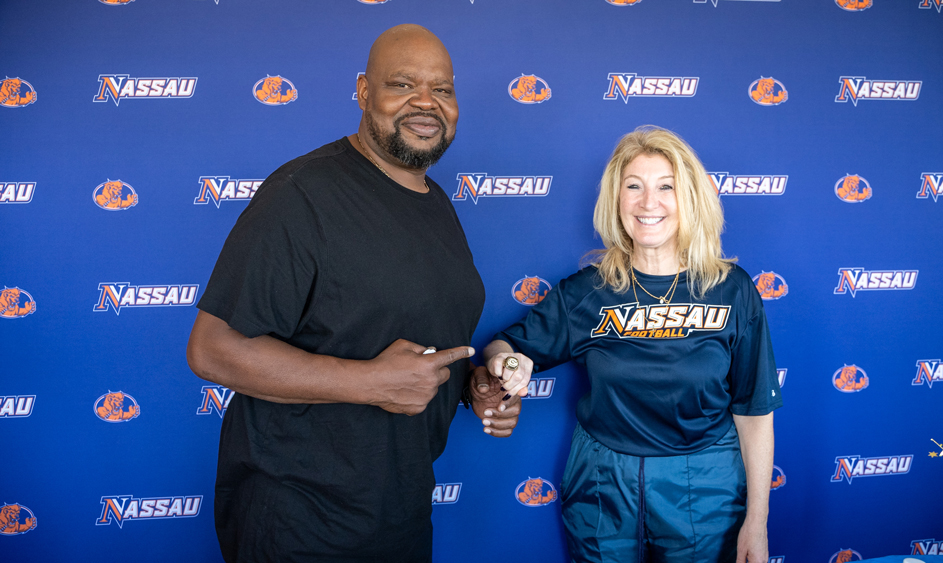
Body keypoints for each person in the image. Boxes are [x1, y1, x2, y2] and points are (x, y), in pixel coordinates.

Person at [186, 25, 527, 563]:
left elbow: (397, 337)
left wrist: (473, 389)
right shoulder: (301, 195)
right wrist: (369, 382)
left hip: (401, 511)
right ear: (365, 93)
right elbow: (212, 348)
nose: (425, 103)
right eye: (402, 84)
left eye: (442, 89)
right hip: (300, 520)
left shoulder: (435, 201)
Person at [484, 126, 782, 563]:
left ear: (690, 198)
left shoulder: (732, 290)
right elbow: (502, 347)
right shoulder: (588, 291)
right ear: (616, 199)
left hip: (704, 482)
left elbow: (754, 413)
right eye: (634, 187)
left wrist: (757, 521)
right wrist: (508, 364)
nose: (648, 203)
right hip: (602, 481)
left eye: (666, 187)